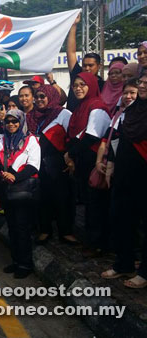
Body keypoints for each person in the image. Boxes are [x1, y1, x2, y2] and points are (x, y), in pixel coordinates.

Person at [101, 72, 147, 288]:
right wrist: (110, 164)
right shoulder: (132, 110)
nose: (143, 85)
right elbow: (118, 139)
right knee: (120, 219)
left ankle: (144, 272)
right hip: (124, 175)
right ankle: (124, 264)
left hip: (143, 177)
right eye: (142, 81)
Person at [0, 109, 41, 279]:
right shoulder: (2, 141)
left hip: (23, 191)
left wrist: (15, 176)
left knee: (22, 229)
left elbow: (33, 166)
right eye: (7, 122)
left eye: (15, 121)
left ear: (21, 122)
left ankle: (25, 264)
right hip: (7, 191)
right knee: (13, 228)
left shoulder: (31, 141)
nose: (11, 125)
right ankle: (16, 261)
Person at [64, 73, 112, 257]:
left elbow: (92, 136)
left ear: (91, 85)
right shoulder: (81, 107)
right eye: (75, 85)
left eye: (83, 84)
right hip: (83, 161)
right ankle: (92, 241)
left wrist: (70, 153)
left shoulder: (97, 106)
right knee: (89, 204)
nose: (78, 88)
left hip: (94, 162)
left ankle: (98, 244)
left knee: (96, 205)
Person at [32, 85, 78, 245]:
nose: (39, 100)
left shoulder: (63, 113)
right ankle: (45, 230)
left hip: (58, 162)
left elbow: (73, 136)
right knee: (42, 198)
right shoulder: (32, 115)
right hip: (38, 163)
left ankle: (66, 232)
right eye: (37, 96)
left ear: (51, 96)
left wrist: (70, 157)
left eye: (42, 96)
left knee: (62, 198)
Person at [65, 14, 104, 111]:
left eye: (91, 65)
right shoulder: (77, 74)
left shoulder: (103, 85)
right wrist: (73, 25)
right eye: (84, 65)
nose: (87, 68)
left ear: (99, 66)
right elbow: (71, 52)